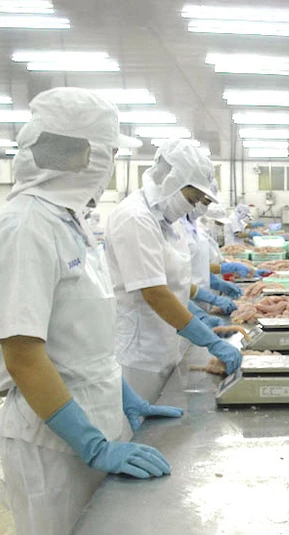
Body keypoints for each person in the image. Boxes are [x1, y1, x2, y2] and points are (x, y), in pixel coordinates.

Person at [0, 88, 177, 535]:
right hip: (54, 445)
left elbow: (83, 337)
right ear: (82, 153)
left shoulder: (69, 221)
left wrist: (122, 396)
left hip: (96, 422)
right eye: (110, 152)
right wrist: (91, 443)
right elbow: (22, 355)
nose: (111, 165)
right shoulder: (23, 227)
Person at [105, 138, 241, 405]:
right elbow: (154, 293)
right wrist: (209, 341)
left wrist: (198, 315)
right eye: (191, 199)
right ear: (171, 182)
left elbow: (174, 284)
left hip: (167, 343)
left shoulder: (169, 221)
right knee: (142, 423)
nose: (192, 207)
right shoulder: (135, 217)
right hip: (140, 355)